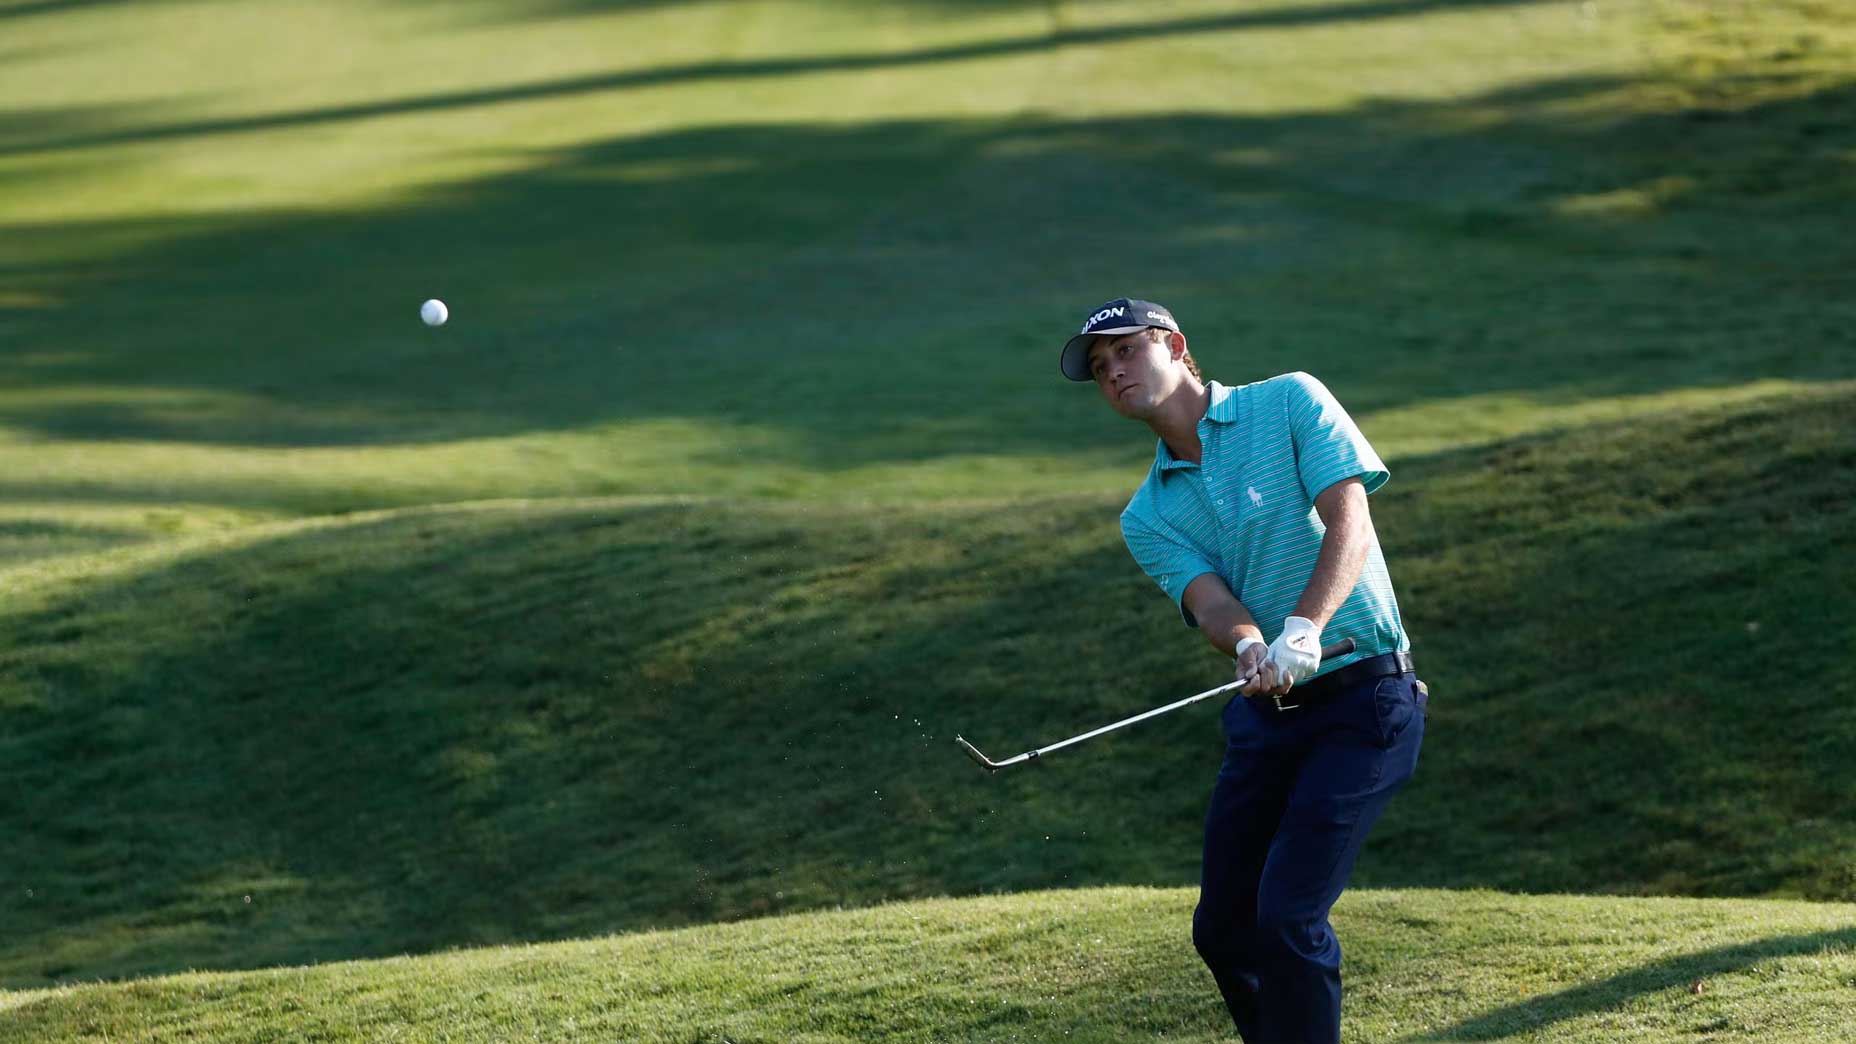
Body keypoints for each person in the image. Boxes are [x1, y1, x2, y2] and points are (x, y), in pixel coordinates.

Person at [1058, 297, 1425, 1044]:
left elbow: (1350, 519)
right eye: (1100, 369)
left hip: (1366, 701)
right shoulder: (1146, 514)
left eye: (1127, 351)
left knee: (1288, 915)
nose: (1115, 373)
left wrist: (1306, 628)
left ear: (1176, 345)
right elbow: (1211, 602)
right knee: (1224, 929)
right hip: (1268, 718)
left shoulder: (1289, 399)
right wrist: (1254, 647)